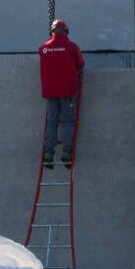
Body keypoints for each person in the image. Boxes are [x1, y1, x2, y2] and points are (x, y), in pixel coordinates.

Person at [40, 18, 87, 168]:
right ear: (66, 31)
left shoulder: (43, 49)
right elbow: (81, 64)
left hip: (50, 91)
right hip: (68, 91)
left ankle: (48, 153)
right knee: (68, 121)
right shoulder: (71, 47)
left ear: (52, 31)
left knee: (52, 121)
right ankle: (66, 153)